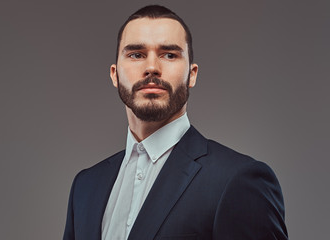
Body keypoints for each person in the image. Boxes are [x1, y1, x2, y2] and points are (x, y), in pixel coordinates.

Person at [63, 5, 288, 240]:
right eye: (136, 54)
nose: (151, 67)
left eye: (169, 55)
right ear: (114, 74)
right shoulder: (85, 186)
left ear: (192, 74)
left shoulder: (237, 180)